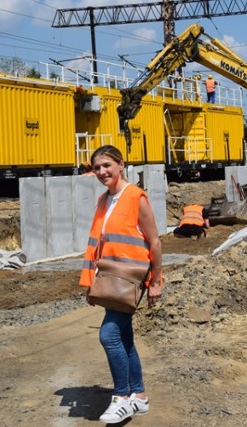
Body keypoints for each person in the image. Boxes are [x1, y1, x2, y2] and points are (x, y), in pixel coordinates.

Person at [78, 145, 162, 424]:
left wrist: (156, 281)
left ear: (120, 165)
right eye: (97, 168)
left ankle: (121, 397)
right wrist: (91, 281)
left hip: (131, 280)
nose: (102, 172)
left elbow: (154, 241)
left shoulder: (136, 197)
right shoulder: (104, 201)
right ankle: (139, 396)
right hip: (110, 280)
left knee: (109, 335)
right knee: (124, 338)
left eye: (106, 166)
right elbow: (98, 245)